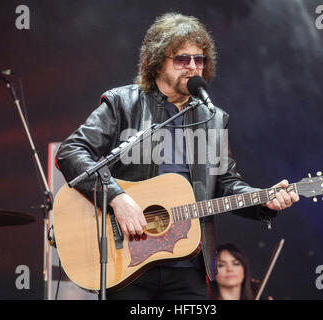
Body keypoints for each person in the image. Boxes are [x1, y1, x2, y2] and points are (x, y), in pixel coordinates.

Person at [56, 12, 299, 300]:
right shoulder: (123, 103)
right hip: (128, 262)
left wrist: (264, 199)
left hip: (189, 263)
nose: (193, 67)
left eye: (200, 60)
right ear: (157, 62)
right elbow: (71, 151)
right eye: (183, 59)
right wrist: (117, 198)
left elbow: (226, 184)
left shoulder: (214, 119)